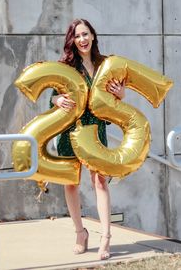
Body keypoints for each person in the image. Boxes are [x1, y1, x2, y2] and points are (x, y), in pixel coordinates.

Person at [50, 19, 125, 260]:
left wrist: (120, 94)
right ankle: (80, 233)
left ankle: (105, 237)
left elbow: (115, 96)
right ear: (71, 40)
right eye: (77, 35)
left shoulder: (105, 64)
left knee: (100, 183)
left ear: (93, 35)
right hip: (70, 130)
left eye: (85, 34)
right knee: (70, 183)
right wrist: (57, 101)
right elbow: (53, 95)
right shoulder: (66, 66)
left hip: (96, 131)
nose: (82, 39)